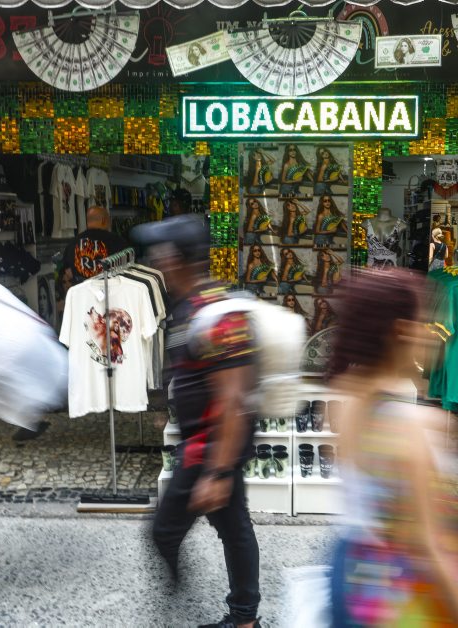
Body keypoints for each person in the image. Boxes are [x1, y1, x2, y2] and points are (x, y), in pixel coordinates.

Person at [327, 269, 458, 627]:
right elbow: (430, 546)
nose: (433, 333)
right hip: (398, 601)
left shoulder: (349, 398)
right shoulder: (411, 426)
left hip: (355, 577)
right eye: (426, 321)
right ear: (402, 330)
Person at [132, 215, 262, 628]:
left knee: (165, 531)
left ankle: (229, 615)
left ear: (175, 258)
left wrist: (218, 471)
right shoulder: (190, 306)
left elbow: (234, 398)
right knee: (234, 527)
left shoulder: (217, 314)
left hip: (211, 447)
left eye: (159, 253)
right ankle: (244, 618)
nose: (155, 261)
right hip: (208, 443)